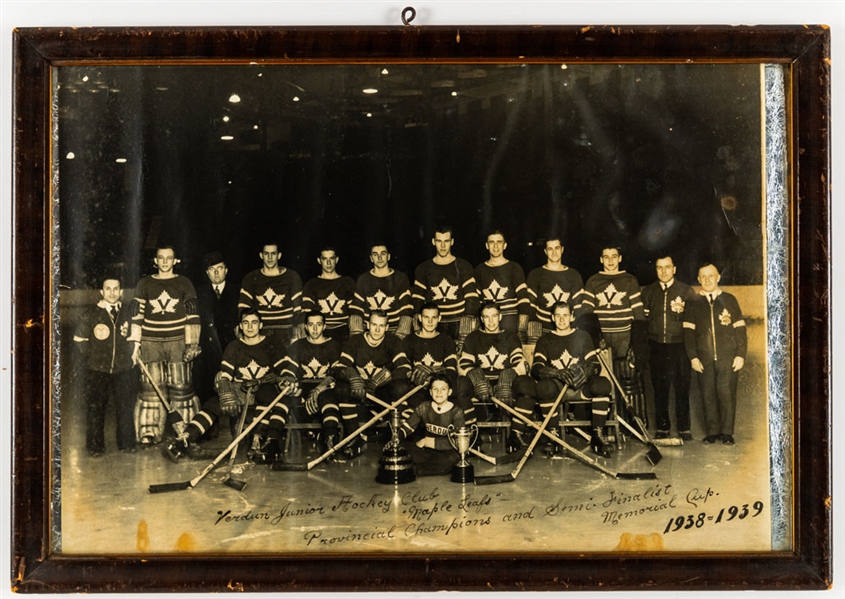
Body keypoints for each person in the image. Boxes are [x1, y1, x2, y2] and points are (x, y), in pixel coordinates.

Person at [161, 308, 289, 463]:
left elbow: (284, 371)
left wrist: (284, 380)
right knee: (213, 404)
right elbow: (226, 375)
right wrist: (224, 390)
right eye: (246, 323)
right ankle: (185, 438)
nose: (250, 327)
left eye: (254, 323)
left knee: (267, 395)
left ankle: (259, 440)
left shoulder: (271, 345)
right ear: (240, 326)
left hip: (264, 386)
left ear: (260, 325)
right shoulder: (234, 347)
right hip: (240, 388)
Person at [519, 302, 614, 457]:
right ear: (552, 318)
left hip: (580, 387)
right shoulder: (546, 339)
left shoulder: (583, 336)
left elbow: (596, 365)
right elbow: (536, 368)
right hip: (557, 390)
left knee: (602, 385)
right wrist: (556, 373)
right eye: (558, 316)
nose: (562, 320)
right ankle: (553, 435)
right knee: (543, 387)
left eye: (565, 315)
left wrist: (586, 371)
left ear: (572, 317)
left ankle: (598, 434)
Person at [129, 245, 202, 446]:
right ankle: (149, 431)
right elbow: (136, 316)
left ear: (174, 261)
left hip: (178, 341)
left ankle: (186, 431)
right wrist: (135, 345)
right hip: (150, 342)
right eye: (161, 258)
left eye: (169, 258)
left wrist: (192, 343)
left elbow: (193, 314)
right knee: (151, 388)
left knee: (181, 386)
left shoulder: (184, 283)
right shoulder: (144, 284)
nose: (164, 262)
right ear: (155, 261)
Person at [581, 245, 649, 425]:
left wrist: (636, 344)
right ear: (601, 259)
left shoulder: (630, 280)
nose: (610, 261)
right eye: (606, 257)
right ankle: (608, 425)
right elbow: (587, 314)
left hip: (625, 337)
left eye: (614, 256)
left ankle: (635, 424)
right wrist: (597, 340)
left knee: (630, 380)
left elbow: (639, 314)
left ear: (620, 258)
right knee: (603, 382)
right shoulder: (593, 281)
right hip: (604, 338)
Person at [72, 276, 138, 456]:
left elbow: (134, 337)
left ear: (121, 292)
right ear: (101, 292)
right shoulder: (92, 313)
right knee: (96, 407)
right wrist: (94, 356)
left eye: (116, 289)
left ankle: (127, 443)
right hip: (97, 369)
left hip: (122, 368)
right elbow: (79, 339)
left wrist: (130, 356)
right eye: (107, 289)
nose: (112, 293)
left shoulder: (127, 313)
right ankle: (95, 446)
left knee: (124, 406)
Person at [683, 263, 747, 445]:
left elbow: (740, 330)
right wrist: (693, 357)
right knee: (707, 394)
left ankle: (727, 432)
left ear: (718, 277)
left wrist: (740, 354)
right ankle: (712, 432)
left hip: (728, 357)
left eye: (711, 275)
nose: (708, 279)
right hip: (704, 359)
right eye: (703, 276)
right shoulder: (693, 302)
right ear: (699, 279)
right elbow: (688, 333)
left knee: (726, 393)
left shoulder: (729, 300)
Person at [457, 301, 536, 450]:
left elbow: (520, 362)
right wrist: (474, 375)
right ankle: (472, 433)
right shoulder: (473, 337)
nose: (491, 321)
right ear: (481, 318)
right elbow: (463, 364)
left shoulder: (510, 337)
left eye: (494, 316)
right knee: (460, 384)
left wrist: (509, 375)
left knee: (528, 384)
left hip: (505, 385)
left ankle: (516, 433)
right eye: (487, 317)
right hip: (481, 385)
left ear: (500, 316)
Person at [334, 310, 412, 459]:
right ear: (367, 325)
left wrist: (385, 377)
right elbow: (339, 368)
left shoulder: (393, 341)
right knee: (341, 390)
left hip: (379, 391)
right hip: (359, 390)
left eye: (381, 326)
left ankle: (394, 437)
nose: (377, 329)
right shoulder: (355, 341)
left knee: (400, 387)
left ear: (387, 326)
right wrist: (352, 376)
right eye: (374, 325)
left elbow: (405, 368)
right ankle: (354, 437)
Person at [274, 311, 344, 462]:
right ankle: (272, 440)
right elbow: (288, 370)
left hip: (325, 388)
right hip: (303, 387)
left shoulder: (333, 345)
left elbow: (336, 373)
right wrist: (288, 381)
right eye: (311, 325)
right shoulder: (298, 345)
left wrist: (319, 389)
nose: (315, 329)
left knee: (328, 398)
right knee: (286, 397)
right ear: (305, 327)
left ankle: (330, 440)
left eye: (318, 325)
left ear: (324, 326)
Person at [641, 256, 696, 440]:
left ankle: (684, 428)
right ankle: (662, 427)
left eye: (667, 267)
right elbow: (645, 320)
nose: (663, 271)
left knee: (682, 388)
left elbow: (693, 322)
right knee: (660, 388)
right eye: (659, 268)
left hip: (680, 346)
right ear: (656, 270)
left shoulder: (686, 291)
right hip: (657, 347)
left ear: (674, 269)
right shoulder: (648, 292)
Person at [412, 225, 480, 350]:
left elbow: (472, 298)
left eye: (446, 241)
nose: (443, 246)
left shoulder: (463, 265)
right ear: (433, 242)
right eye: (439, 241)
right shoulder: (423, 268)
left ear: (452, 242)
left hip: (458, 322)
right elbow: (417, 300)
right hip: (434, 323)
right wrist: (420, 328)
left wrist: (465, 330)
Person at [388, 373, 465, 476]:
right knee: (404, 448)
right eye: (435, 389)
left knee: (452, 459)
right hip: (426, 452)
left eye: (443, 389)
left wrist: (427, 441)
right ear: (430, 392)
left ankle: (416, 469)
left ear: (449, 392)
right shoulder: (424, 407)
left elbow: (458, 443)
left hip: (446, 451)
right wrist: (397, 438)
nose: (439, 393)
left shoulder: (456, 412)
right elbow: (408, 427)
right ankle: (420, 467)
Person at [402, 302, 466, 420]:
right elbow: (404, 369)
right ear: (420, 318)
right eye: (426, 317)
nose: (430, 321)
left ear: (439, 318)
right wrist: (414, 375)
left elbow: (451, 370)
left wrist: (433, 375)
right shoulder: (409, 340)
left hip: (440, 389)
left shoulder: (446, 340)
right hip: (418, 388)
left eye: (434, 317)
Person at [194, 251, 240, 404]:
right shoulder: (199, 293)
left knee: (232, 395)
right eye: (212, 269)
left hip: (231, 349)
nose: (216, 272)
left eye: (219, 268)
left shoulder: (237, 292)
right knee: (208, 395)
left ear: (226, 270)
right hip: (208, 351)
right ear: (207, 273)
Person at [238, 242, 303, 348]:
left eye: (273, 253)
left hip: (286, 332)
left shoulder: (291, 277)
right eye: (266, 253)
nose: (269, 257)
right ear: (261, 255)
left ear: (279, 255)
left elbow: (298, 308)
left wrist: (295, 331)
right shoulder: (251, 278)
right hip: (261, 332)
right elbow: (243, 307)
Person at [525, 236, 587, 345]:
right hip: (543, 330)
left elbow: (578, 307)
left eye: (557, 248)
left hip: (567, 329)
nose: (554, 252)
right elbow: (531, 306)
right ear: (545, 251)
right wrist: (534, 333)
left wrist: (573, 329)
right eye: (550, 249)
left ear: (562, 249)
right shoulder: (536, 274)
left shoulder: (573, 275)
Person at [474, 230, 530, 340]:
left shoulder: (514, 268)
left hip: (510, 321)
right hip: (488, 322)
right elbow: (477, 302)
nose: (495, 246)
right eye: (491, 242)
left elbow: (523, 299)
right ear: (486, 245)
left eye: (499, 242)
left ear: (505, 245)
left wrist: (522, 328)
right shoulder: (479, 270)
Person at [350, 243, 414, 339]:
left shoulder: (400, 278)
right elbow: (356, 310)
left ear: (388, 256)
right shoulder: (363, 279)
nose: (379, 257)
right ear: (371, 258)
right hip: (369, 334)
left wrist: (400, 336)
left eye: (383, 254)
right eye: (375, 254)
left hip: (394, 332)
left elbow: (407, 309)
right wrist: (358, 339)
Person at [301, 247, 356, 343]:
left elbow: (354, 312)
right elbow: (306, 313)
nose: (329, 263)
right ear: (319, 260)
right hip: (320, 333)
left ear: (337, 260)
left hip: (342, 332)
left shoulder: (347, 282)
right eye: (325, 259)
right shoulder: (311, 284)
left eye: (332, 258)